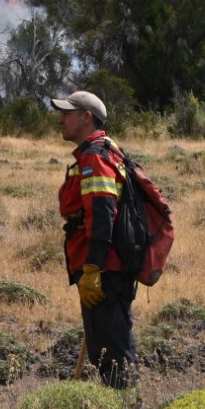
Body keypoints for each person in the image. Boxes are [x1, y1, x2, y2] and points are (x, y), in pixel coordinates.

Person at [52, 89, 138, 388]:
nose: (61, 119)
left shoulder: (95, 158)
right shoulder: (99, 152)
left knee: (112, 352)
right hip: (104, 268)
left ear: (86, 117)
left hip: (104, 271)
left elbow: (102, 214)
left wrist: (93, 269)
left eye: (67, 113)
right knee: (106, 347)